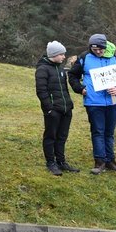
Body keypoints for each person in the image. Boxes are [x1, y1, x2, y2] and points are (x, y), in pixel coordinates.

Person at [68, 34, 116, 175]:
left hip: (113, 102)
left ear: (105, 47)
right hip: (94, 102)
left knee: (109, 133)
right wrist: (80, 88)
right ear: (90, 47)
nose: (98, 52)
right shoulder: (84, 58)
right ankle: (99, 161)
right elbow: (72, 76)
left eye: (100, 49)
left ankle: (110, 161)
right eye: (94, 49)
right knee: (98, 131)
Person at [34, 41, 79, 176]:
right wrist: (49, 109)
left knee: (62, 136)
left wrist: (69, 105)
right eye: (61, 54)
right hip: (53, 111)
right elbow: (41, 91)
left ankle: (61, 161)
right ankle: (50, 162)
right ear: (54, 54)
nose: (64, 57)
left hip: (66, 109)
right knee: (50, 136)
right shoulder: (42, 69)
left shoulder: (60, 68)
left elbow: (64, 89)